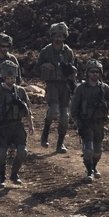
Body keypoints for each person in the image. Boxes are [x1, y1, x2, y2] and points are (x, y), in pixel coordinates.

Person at [69, 59, 109, 183]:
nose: (94, 74)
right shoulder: (81, 89)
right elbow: (74, 107)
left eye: (97, 72)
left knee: (98, 151)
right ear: (88, 73)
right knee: (88, 149)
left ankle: (94, 167)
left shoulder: (104, 88)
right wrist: (76, 120)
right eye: (92, 72)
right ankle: (89, 171)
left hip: (100, 123)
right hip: (86, 123)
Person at [0, 61, 34, 188]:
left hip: (17, 125)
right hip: (4, 127)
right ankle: (2, 177)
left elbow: (28, 109)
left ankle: (14, 174)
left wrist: (31, 124)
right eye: (8, 78)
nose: (10, 81)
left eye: (12, 78)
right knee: (2, 154)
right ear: (4, 78)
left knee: (22, 151)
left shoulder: (20, 91)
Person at [34, 22, 77, 153]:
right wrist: (44, 66)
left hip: (64, 86)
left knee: (65, 116)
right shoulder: (46, 51)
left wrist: (70, 70)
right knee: (53, 111)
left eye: (61, 36)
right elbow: (35, 69)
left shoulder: (68, 52)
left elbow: (74, 71)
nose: (58, 39)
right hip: (52, 85)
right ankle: (45, 133)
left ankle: (60, 144)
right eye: (56, 36)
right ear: (52, 36)